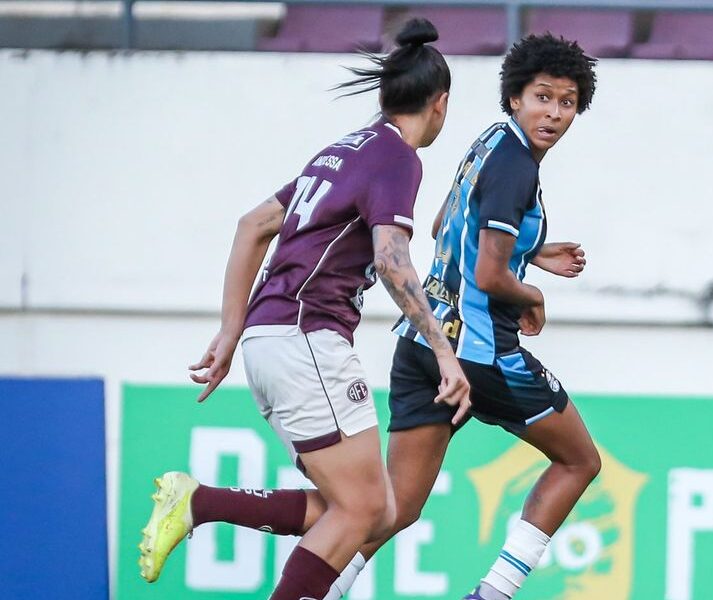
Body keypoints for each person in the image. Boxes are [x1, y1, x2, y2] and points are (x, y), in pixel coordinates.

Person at [136, 19, 470, 600]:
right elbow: (392, 261)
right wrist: (444, 353)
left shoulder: (342, 150)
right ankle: (199, 503)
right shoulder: (396, 158)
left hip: (272, 343)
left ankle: (200, 501)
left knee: (372, 510)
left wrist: (231, 331)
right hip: (307, 337)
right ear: (440, 104)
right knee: (368, 508)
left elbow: (254, 225)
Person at [385, 32, 600, 600]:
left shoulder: (488, 143)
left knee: (392, 508)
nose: (553, 113)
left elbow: (441, 230)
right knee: (579, 461)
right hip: (479, 355)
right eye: (542, 96)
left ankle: (318, 587)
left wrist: (532, 251)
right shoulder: (517, 168)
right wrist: (531, 294)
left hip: (422, 342)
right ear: (514, 97)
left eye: (567, 102)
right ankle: (493, 594)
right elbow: (488, 277)